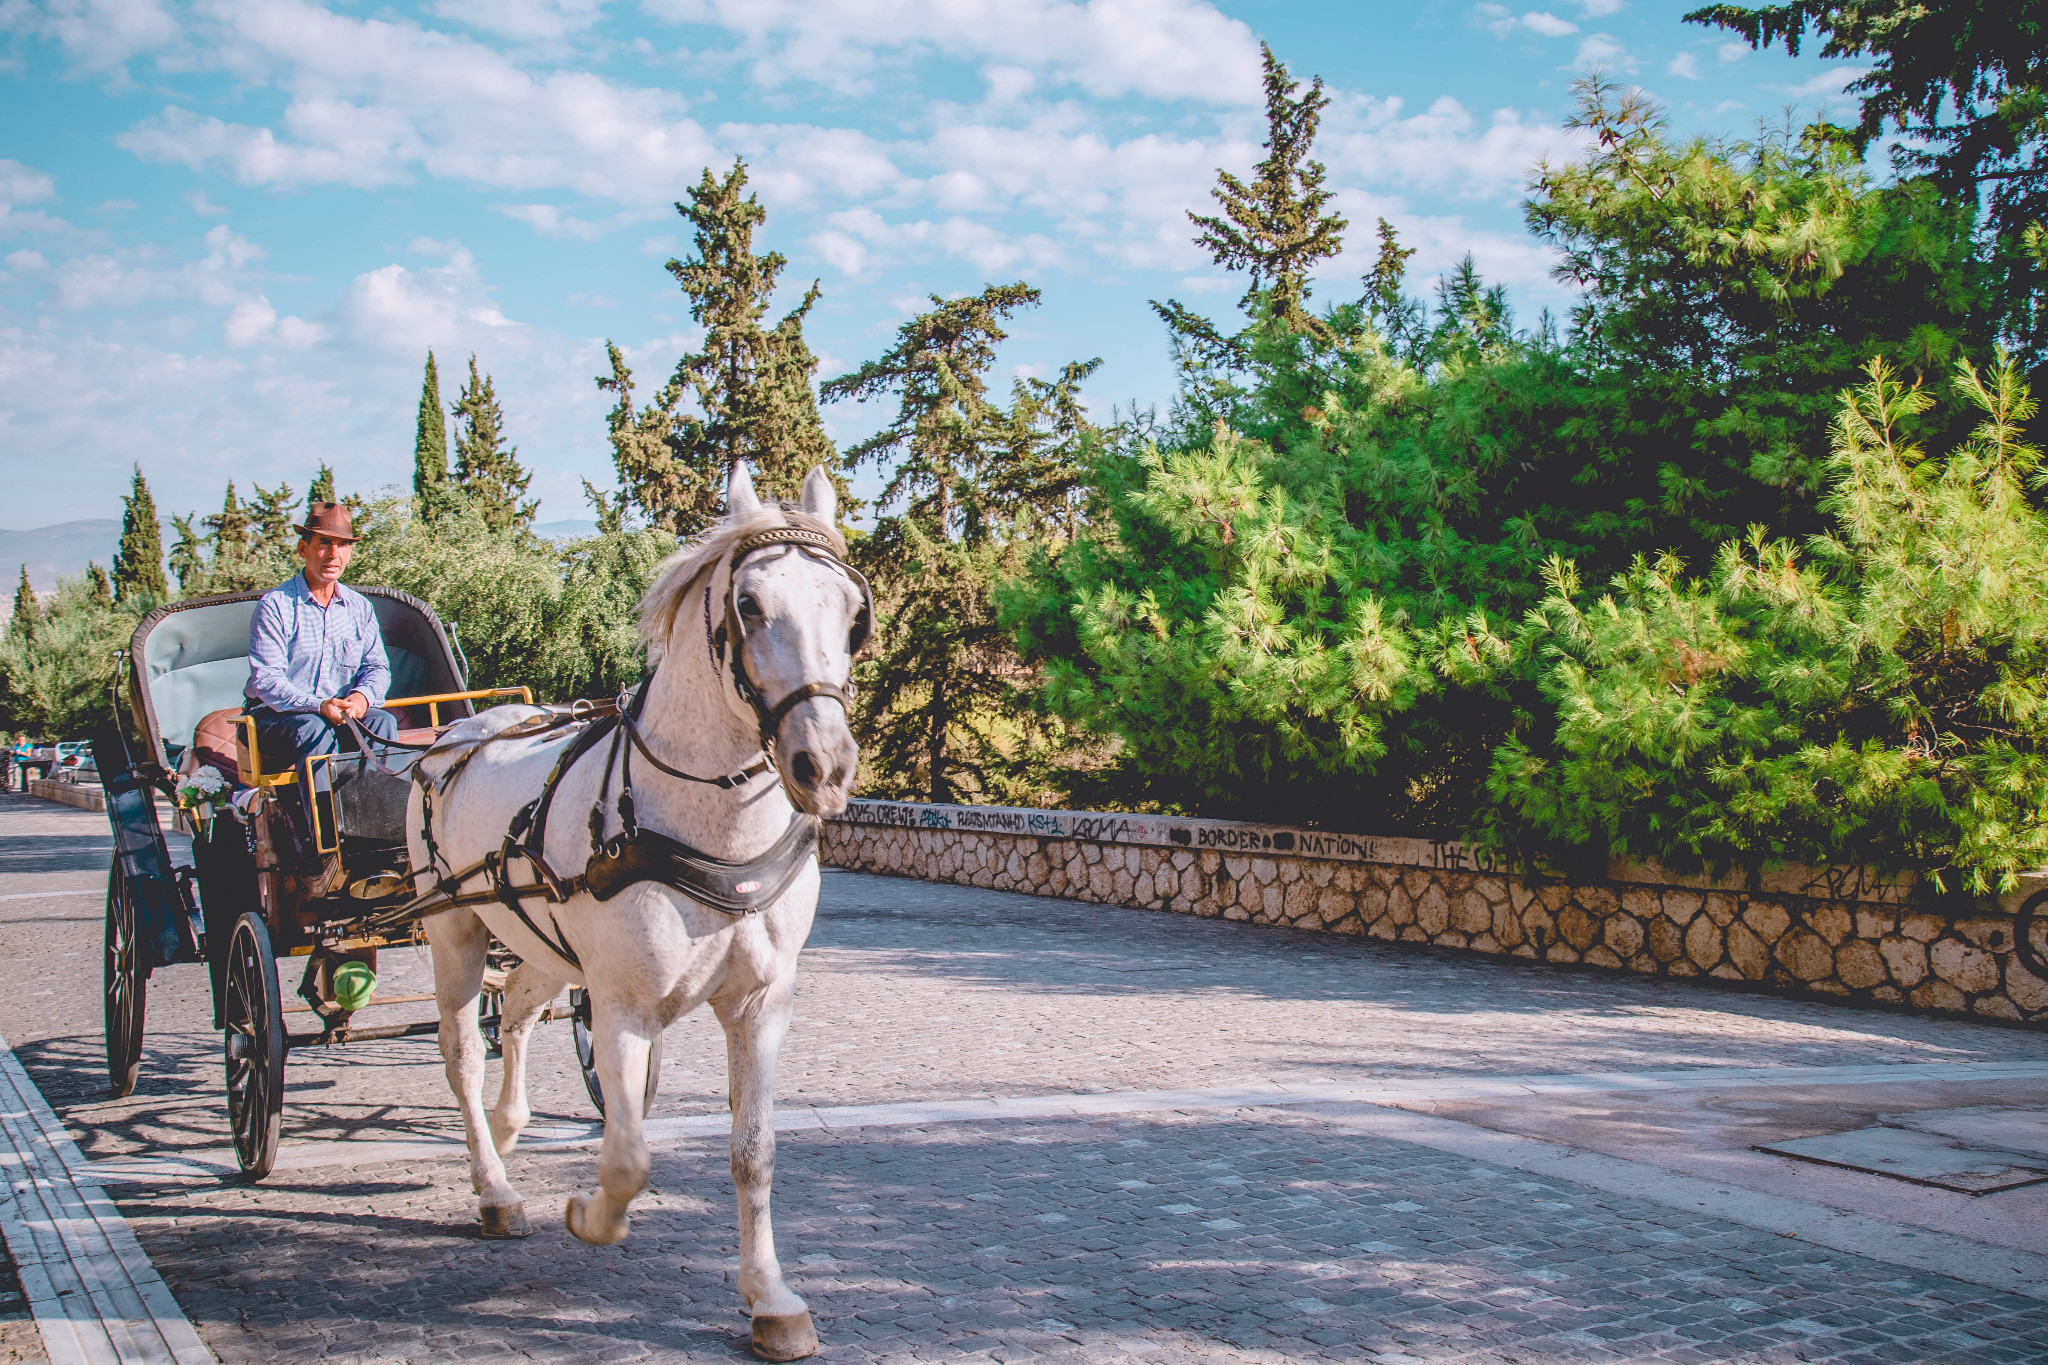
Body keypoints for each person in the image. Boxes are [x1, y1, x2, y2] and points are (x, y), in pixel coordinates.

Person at [243, 502, 400, 777]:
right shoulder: (276, 605)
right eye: (324, 543)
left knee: (383, 722)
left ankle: (380, 815)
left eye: (342, 545)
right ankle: (323, 821)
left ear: (351, 551)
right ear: (303, 549)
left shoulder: (359, 607)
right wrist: (319, 705)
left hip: (339, 713)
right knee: (314, 728)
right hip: (273, 717)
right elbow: (267, 680)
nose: (333, 554)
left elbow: (377, 668)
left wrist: (361, 698)